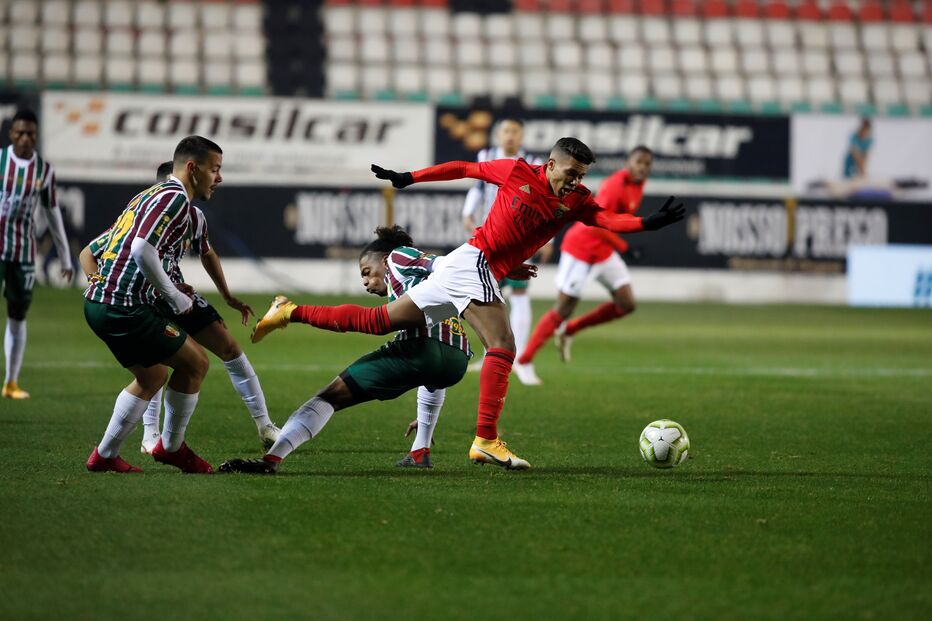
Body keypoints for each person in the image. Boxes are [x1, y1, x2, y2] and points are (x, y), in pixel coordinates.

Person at [248, 137, 684, 470]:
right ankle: (485, 439)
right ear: (550, 163)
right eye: (570, 172)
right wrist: (410, 178)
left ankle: (290, 311)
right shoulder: (515, 172)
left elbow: (608, 218)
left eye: (582, 175)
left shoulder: (576, 201)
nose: (576, 181)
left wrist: (648, 223)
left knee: (380, 320)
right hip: (472, 262)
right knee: (503, 343)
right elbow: (464, 168)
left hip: (468, 267)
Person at [218, 225, 472, 473]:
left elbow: (444, 265)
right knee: (427, 367)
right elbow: (438, 341)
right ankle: (420, 450)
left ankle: (271, 459)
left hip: (423, 350)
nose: (365, 282)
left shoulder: (398, 256)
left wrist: (463, 263)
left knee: (329, 397)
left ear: (383, 261)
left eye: (366, 271)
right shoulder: (424, 288)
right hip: (457, 359)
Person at [80, 161, 280, 454]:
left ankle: (265, 426)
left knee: (229, 347)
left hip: (178, 293)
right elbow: (90, 252)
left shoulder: (194, 217)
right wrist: (101, 282)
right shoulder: (149, 213)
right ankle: (152, 436)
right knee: (158, 366)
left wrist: (226, 295)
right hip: (150, 298)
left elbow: (206, 252)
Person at [83, 136, 223, 474]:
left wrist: (169, 285)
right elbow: (142, 249)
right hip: (125, 306)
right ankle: (172, 448)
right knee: (196, 364)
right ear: (193, 168)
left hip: (99, 303)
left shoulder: (148, 194)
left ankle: (104, 455)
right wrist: (174, 296)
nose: (218, 178)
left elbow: (102, 249)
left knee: (153, 376)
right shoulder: (176, 200)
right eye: (214, 169)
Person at [517, 146, 654, 378]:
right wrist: (625, 247)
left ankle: (571, 330)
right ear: (628, 162)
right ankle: (524, 360)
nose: (643, 167)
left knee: (626, 303)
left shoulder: (639, 185)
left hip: (604, 251)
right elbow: (598, 223)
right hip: (582, 250)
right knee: (563, 308)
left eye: (647, 164)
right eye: (639, 162)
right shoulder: (615, 185)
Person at [462, 118, 551, 381]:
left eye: (515, 132)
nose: (510, 136)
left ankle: (522, 359)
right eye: (506, 131)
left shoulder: (533, 161)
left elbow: (545, 200)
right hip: (490, 239)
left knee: (520, 295)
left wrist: (548, 238)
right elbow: (478, 187)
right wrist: (467, 213)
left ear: (521, 136)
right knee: (479, 295)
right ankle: (492, 353)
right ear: (497, 135)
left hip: (519, 238)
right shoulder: (486, 156)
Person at [0, 109, 74, 399]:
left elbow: (53, 214)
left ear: (36, 136)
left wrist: (65, 256)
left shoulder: (44, 171)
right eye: (20, 132)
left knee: (18, 314)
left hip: (22, 252)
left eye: (31, 133)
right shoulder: (1, 161)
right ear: (11, 134)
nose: (25, 138)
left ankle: (11, 382)